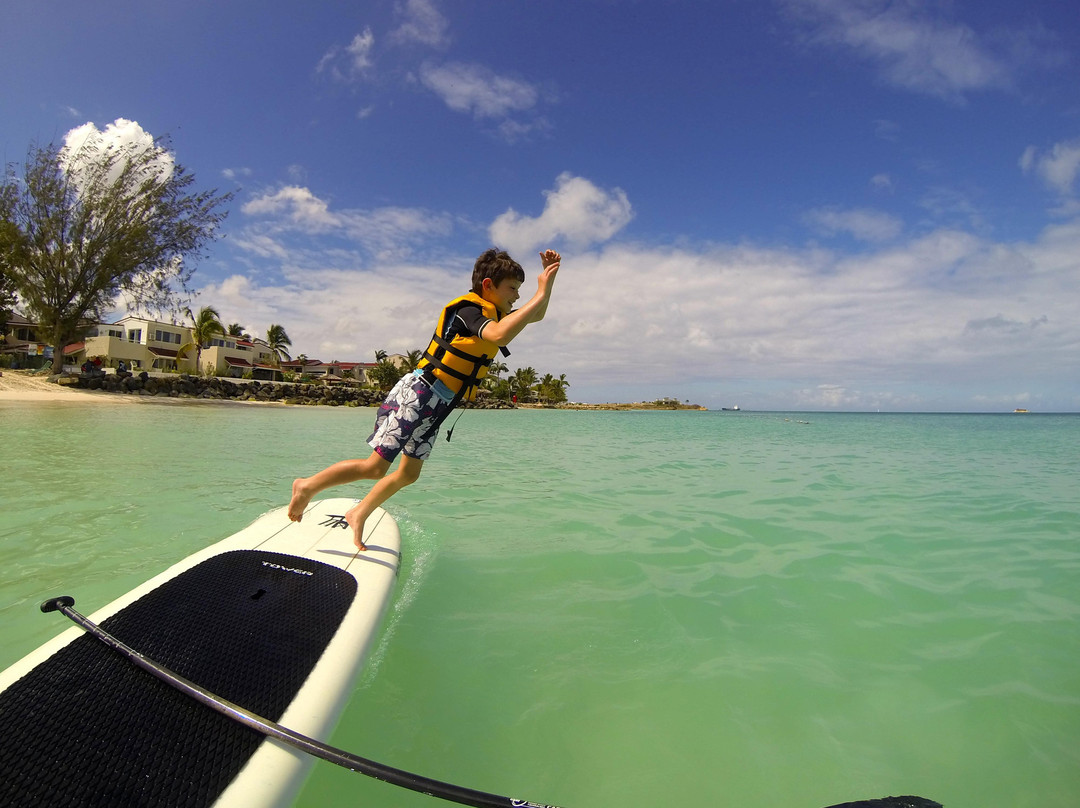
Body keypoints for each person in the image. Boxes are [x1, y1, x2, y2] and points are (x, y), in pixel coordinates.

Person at [287, 247, 562, 550]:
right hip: (420, 393)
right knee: (375, 468)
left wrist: (546, 284)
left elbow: (537, 314)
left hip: (439, 404)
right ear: (488, 286)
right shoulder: (469, 311)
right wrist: (539, 289)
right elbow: (499, 336)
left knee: (408, 474)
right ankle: (306, 486)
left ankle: (359, 512)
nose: (517, 297)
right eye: (512, 288)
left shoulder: (495, 313)